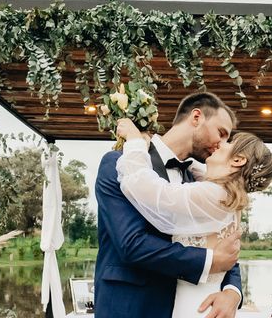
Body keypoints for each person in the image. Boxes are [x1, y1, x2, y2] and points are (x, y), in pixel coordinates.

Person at [95, 92, 245, 318]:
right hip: (131, 308)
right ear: (196, 117)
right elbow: (131, 244)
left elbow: (225, 243)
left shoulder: (200, 180)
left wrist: (232, 292)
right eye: (221, 133)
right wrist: (208, 261)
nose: (222, 145)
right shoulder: (119, 164)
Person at [115, 115, 272, 318]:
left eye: (230, 143)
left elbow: (149, 189)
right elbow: (199, 170)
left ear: (238, 160)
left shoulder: (212, 194)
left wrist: (135, 142)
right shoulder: (229, 198)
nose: (221, 143)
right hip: (205, 300)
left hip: (194, 306)